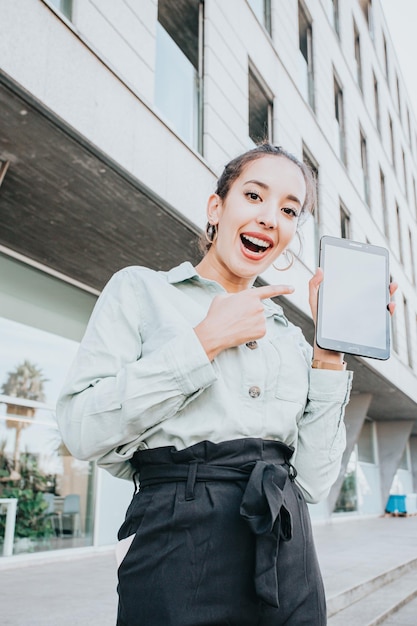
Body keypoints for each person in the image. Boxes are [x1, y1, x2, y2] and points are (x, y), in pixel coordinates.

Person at [56, 143, 395, 626]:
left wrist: (328, 356)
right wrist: (203, 343)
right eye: (254, 196)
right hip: (176, 540)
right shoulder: (140, 291)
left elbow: (316, 483)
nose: (269, 218)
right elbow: (83, 431)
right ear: (217, 207)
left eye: (288, 210)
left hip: (288, 546)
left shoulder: (294, 340)